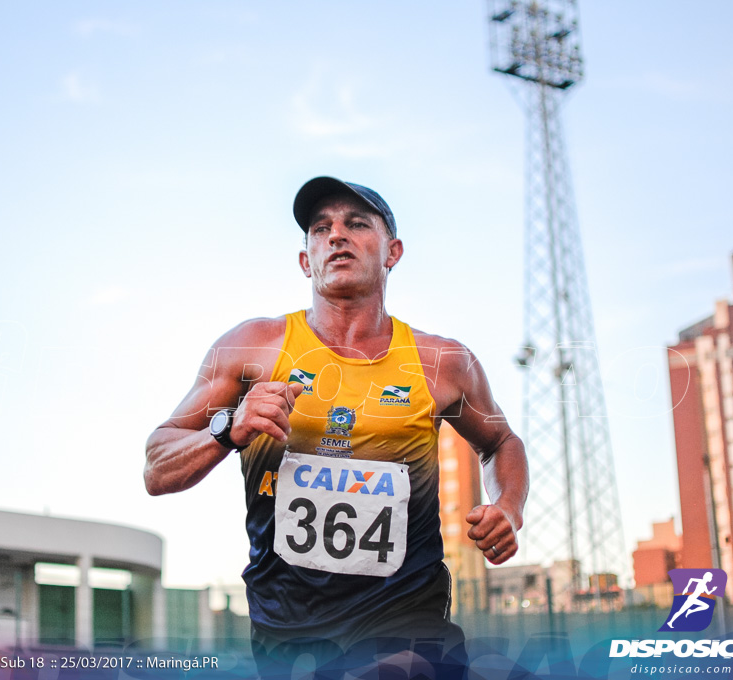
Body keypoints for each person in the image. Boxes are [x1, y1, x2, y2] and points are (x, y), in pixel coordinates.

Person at [145, 176, 529, 677]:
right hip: (288, 625)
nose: (336, 236)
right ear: (306, 260)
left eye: (357, 224)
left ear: (393, 252)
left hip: (407, 614)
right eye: (321, 228)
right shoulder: (253, 346)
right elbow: (157, 467)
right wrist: (229, 429)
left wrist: (508, 507)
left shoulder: (443, 363)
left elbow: (501, 441)